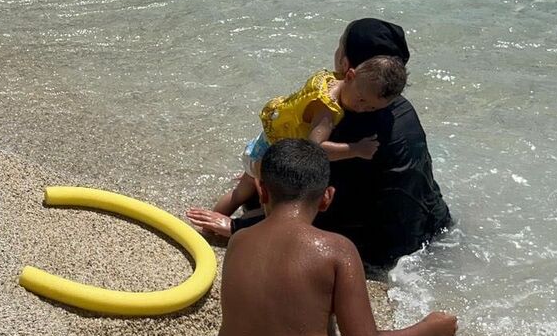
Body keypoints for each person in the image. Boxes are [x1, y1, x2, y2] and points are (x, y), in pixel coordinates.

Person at [210, 139, 554, 336]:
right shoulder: (336, 250)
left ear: (263, 190)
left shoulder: (239, 239)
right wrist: (428, 331)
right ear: (327, 198)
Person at [188, 18, 452, 268]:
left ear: (346, 63)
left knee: (260, 198)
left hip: (377, 250)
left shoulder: (350, 118)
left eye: (339, 45)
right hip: (432, 227)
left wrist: (237, 228)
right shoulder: (397, 108)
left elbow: (323, 201)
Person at [190, 50, 407, 240]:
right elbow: (315, 148)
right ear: (350, 75)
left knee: (240, 193)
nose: (362, 108)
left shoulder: (329, 79)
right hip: (272, 156)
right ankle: (237, 233)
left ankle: (207, 230)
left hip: (262, 143)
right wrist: (356, 149)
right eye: (361, 100)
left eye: (371, 108)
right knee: (275, 208)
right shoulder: (327, 110)